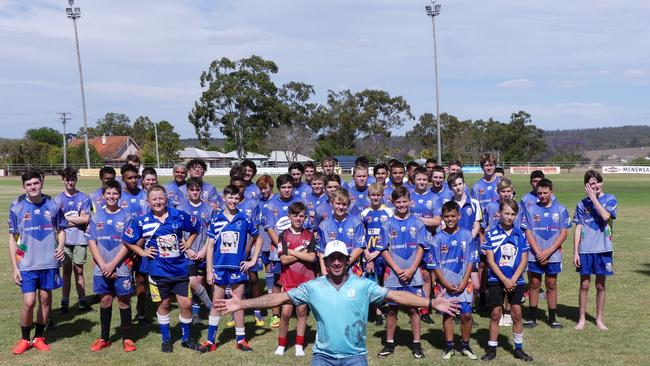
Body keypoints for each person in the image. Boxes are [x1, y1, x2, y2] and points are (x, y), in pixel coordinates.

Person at [215, 240, 461, 366]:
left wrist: (430, 302)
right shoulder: (314, 287)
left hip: (355, 357)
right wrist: (243, 304)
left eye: (340, 258)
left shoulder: (363, 285)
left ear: (347, 260)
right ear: (326, 260)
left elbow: (396, 296)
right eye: (331, 258)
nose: (336, 262)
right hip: (323, 357)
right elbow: (278, 297)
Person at [122, 185, 206, 353]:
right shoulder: (142, 221)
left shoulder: (178, 215)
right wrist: (143, 252)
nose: (158, 202)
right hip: (158, 271)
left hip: (180, 269)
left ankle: (186, 338)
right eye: (154, 199)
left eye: (161, 198)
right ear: (148, 202)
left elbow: (197, 227)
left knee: (186, 303)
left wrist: (188, 243)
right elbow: (127, 239)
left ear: (166, 199)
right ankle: (166, 339)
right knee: (165, 304)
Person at [9, 171, 67, 355]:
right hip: (27, 264)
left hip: (49, 263)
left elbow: (61, 230)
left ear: (42, 183)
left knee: (45, 299)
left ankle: (39, 337)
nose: (33, 187)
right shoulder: (17, 207)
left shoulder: (53, 205)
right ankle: (25, 339)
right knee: (29, 301)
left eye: (36, 183)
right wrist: (15, 267)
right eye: (29, 184)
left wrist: (61, 246)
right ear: (24, 187)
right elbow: (13, 239)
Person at [203, 185, 262, 352]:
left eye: (236, 198)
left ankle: (241, 340)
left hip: (238, 269)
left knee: (238, 303)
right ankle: (210, 340)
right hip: (219, 267)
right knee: (217, 303)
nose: (233, 201)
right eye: (230, 198)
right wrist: (209, 270)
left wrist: (253, 260)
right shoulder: (216, 219)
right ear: (224, 198)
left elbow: (259, 239)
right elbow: (209, 246)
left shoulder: (244, 219)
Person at [376, 186, 427, 359]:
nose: (402, 205)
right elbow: (383, 249)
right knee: (392, 310)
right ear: (392, 202)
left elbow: (421, 247)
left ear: (410, 201)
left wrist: (412, 269)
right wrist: (397, 269)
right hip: (393, 274)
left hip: (413, 273)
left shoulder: (418, 223)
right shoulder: (387, 224)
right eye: (398, 202)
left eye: (404, 201)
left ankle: (417, 344)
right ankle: (389, 344)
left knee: (414, 309)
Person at [86, 180, 136, 352]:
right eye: (108, 193)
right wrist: (103, 265)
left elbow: (128, 242)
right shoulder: (96, 216)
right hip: (102, 267)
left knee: (123, 301)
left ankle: (127, 338)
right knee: (105, 300)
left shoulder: (127, 216)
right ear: (103, 196)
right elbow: (92, 241)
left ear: (119, 196)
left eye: (115, 193)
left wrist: (113, 264)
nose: (111, 196)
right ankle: (104, 338)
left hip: (122, 266)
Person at [481, 199, 533, 362]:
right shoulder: (491, 234)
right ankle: (491, 348)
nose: (509, 217)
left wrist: (513, 279)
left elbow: (524, 260)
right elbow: (490, 260)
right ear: (499, 213)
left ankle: (518, 348)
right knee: (496, 313)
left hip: (516, 279)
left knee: (517, 314)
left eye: (513, 214)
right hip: (496, 278)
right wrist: (504, 280)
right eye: (506, 213)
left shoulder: (520, 234)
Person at [430, 201, 479, 360]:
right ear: (442, 218)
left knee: (466, 315)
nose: (450, 219)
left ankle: (465, 345)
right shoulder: (437, 238)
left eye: (453, 216)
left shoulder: (467, 235)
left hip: (464, 283)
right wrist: (443, 283)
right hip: (446, 284)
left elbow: (471, 260)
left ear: (459, 216)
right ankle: (449, 346)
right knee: (448, 314)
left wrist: (465, 281)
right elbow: (434, 264)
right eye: (446, 216)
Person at [521, 178, 570, 329]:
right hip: (535, 253)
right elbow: (528, 232)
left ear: (551, 192)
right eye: (539, 193)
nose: (542, 195)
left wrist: (548, 252)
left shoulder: (560, 209)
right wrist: (538, 252)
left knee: (551, 284)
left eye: (545, 192)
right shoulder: (530, 209)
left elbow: (563, 234)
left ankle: (553, 318)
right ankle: (532, 317)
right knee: (534, 284)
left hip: (553, 254)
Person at [573, 170, 617, 331]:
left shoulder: (610, 199)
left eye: (598, 182)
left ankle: (599, 319)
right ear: (586, 185)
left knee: (600, 285)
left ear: (602, 183)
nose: (596, 185)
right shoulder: (581, 204)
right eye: (592, 183)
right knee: (584, 285)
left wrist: (593, 198)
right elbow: (578, 227)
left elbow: (606, 216)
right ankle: (582, 319)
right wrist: (575, 251)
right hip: (585, 249)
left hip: (603, 249)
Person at [263, 174, 308, 328]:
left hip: (299, 248)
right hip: (278, 249)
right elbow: (270, 229)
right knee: (277, 280)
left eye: (289, 187)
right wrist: (284, 247)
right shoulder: (270, 206)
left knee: (299, 277)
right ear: (278, 188)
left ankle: (298, 308)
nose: (287, 190)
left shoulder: (300, 203)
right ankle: (276, 314)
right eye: (283, 187)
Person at [275, 202, 318, 356]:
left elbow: (312, 258)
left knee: (301, 311)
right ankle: (281, 344)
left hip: (305, 279)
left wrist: (292, 252)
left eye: (301, 216)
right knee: (285, 313)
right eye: (295, 215)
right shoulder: (283, 235)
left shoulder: (309, 235)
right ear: (289, 216)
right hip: (288, 279)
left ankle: (299, 344)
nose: (298, 218)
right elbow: (284, 260)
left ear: (305, 217)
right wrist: (301, 252)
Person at [54, 167, 92, 314]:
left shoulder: (84, 198)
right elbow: (57, 223)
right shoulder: (57, 200)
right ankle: (65, 302)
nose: (70, 182)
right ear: (63, 180)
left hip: (80, 239)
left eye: (72, 179)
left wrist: (65, 219)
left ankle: (82, 301)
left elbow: (85, 219)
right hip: (64, 240)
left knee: (79, 271)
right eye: (67, 179)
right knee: (66, 272)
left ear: (76, 179)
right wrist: (76, 220)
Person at [177, 177, 214, 324]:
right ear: (187, 191)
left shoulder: (209, 209)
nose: (195, 192)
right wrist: (187, 250)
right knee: (193, 282)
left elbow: (212, 232)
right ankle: (210, 306)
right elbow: (177, 233)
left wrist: (204, 250)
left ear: (202, 191)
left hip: (204, 251)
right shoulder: (180, 209)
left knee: (201, 280)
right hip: (187, 252)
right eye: (192, 189)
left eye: (197, 189)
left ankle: (197, 313)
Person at [409, 166, 442, 325]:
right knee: (413, 275)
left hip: (428, 242)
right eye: (418, 179)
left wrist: (418, 220)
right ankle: (411, 306)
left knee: (427, 276)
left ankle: (425, 309)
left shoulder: (434, 198)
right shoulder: (408, 196)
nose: (421, 182)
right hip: (410, 243)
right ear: (413, 180)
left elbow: (437, 221)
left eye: (424, 179)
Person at [359, 182, 393, 326]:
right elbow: (361, 235)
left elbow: (391, 235)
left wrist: (379, 251)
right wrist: (367, 254)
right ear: (368, 197)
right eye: (373, 195)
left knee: (385, 283)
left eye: (378, 195)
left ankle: (390, 309)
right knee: (373, 283)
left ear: (383, 196)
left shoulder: (389, 212)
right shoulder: (365, 213)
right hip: (370, 254)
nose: (375, 198)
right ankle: (378, 313)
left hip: (385, 254)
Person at [317, 188, 365, 275]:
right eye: (338, 204)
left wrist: (344, 265)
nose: (341, 207)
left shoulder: (356, 223)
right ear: (331, 203)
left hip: (352, 270)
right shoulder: (323, 226)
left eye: (344, 204)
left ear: (349, 205)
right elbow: (322, 251)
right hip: (331, 271)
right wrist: (324, 272)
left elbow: (360, 247)